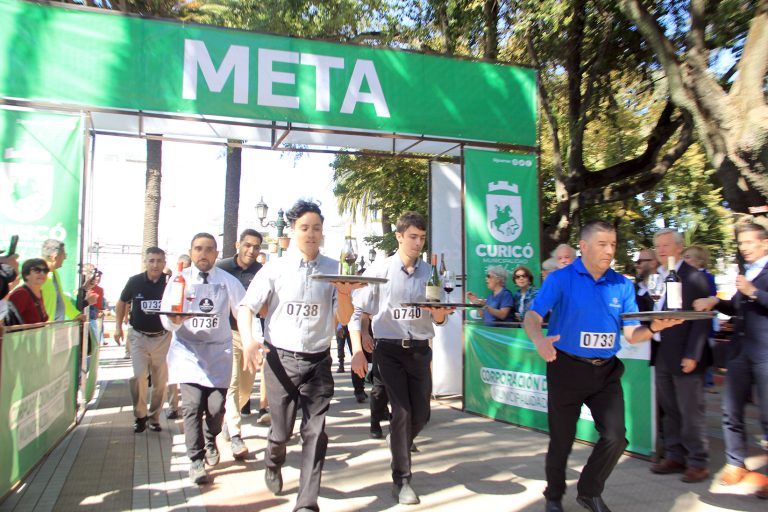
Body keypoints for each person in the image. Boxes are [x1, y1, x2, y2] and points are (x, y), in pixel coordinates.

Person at [523, 220, 681, 512]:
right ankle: (554, 496)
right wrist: (539, 340)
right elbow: (532, 317)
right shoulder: (560, 279)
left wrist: (655, 327)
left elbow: (633, 333)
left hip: (606, 371)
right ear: (583, 247)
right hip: (566, 368)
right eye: (602, 244)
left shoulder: (622, 284)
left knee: (616, 436)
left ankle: (589, 490)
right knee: (562, 440)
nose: (610, 250)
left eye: (613, 244)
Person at [237, 199, 362, 512]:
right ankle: (272, 459)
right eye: (304, 228)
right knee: (282, 431)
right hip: (280, 360)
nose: (311, 234)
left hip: (319, 361)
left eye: (317, 228)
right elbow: (246, 307)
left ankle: (307, 502)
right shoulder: (275, 268)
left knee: (315, 432)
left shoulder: (335, 269)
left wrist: (345, 293)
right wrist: (251, 340)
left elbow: (344, 319)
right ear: (292, 231)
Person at [349, 211, 454, 506]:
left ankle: (398, 442)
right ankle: (403, 479)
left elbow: (440, 319)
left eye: (422, 238)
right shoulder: (380, 269)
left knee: (422, 415)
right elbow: (358, 313)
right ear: (399, 236)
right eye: (412, 237)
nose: (418, 243)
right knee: (402, 413)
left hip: (420, 350)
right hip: (389, 350)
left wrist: (441, 316)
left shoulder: (430, 273)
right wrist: (358, 348)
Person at [161, 233, 246, 485]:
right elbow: (166, 315)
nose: (203, 254)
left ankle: (211, 439)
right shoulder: (179, 280)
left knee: (216, 408)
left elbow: (243, 311)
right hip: (188, 352)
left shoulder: (227, 282)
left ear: (216, 254)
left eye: (209, 249)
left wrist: (254, 341)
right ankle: (195, 460)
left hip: (218, 353)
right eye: (198, 249)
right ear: (191, 251)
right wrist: (172, 321)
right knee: (191, 406)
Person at [694, 222, 768, 500]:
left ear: (765, 243)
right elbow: (736, 306)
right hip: (739, 351)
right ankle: (735, 462)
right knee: (730, 410)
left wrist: (753, 291)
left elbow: (757, 298)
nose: (744, 247)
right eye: (741, 243)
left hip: (764, 352)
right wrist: (715, 301)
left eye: (749, 242)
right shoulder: (747, 272)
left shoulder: (757, 276)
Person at [649, 228, 713, 483]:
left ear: (679, 247)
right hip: (663, 351)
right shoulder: (659, 277)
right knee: (669, 407)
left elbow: (700, 320)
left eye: (665, 245)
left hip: (686, 353)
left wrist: (693, 354)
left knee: (690, 410)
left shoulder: (693, 276)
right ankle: (675, 454)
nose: (661, 250)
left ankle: (698, 460)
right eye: (657, 246)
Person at [216, 228, 264, 459]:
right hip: (227, 334)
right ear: (238, 244)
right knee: (233, 383)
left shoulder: (262, 272)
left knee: (245, 388)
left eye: (256, 247)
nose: (251, 250)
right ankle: (236, 435)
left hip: (252, 336)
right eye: (247, 245)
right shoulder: (222, 269)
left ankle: (228, 422)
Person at [115, 247, 171, 434]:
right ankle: (140, 415)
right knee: (139, 376)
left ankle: (154, 417)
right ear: (145, 262)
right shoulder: (135, 282)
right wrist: (117, 327)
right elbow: (122, 302)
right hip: (138, 336)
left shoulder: (170, 283)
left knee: (161, 382)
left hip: (163, 338)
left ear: (164, 263)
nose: (155, 264)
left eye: (159, 261)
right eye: (151, 260)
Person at [164, 254, 193, 409]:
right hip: (177, 331)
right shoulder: (176, 281)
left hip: (183, 332)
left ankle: (174, 406)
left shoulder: (181, 280)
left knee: (175, 368)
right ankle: (176, 405)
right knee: (176, 367)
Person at [40, 239, 81, 321]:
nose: (65, 258)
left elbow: (62, 298)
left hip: (52, 329)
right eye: (63, 255)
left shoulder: (54, 274)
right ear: (54, 257)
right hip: (41, 329)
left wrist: (76, 315)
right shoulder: (38, 276)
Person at [5, 259, 49, 325]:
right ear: (26, 274)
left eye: (45, 271)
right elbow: (9, 323)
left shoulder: (39, 292)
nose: (42, 273)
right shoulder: (21, 294)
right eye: (37, 270)